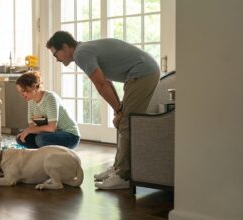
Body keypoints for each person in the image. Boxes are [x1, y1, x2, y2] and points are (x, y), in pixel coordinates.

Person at [46, 31, 160, 189]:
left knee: (126, 122)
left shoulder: (81, 54)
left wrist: (119, 110)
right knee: (123, 121)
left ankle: (123, 176)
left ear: (65, 47)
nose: (56, 59)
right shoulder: (83, 50)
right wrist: (118, 109)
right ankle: (117, 168)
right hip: (142, 72)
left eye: (55, 54)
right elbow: (106, 81)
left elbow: (101, 85)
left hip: (143, 73)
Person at [15, 71, 80, 149]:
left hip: (69, 135)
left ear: (34, 86)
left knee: (41, 139)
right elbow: (32, 126)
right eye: (20, 92)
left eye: (23, 91)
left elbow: (51, 128)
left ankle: (47, 151)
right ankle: (44, 151)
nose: (22, 94)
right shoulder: (31, 101)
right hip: (49, 134)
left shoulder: (50, 98)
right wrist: (27, 131)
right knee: (21, 137)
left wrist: (29, 130)